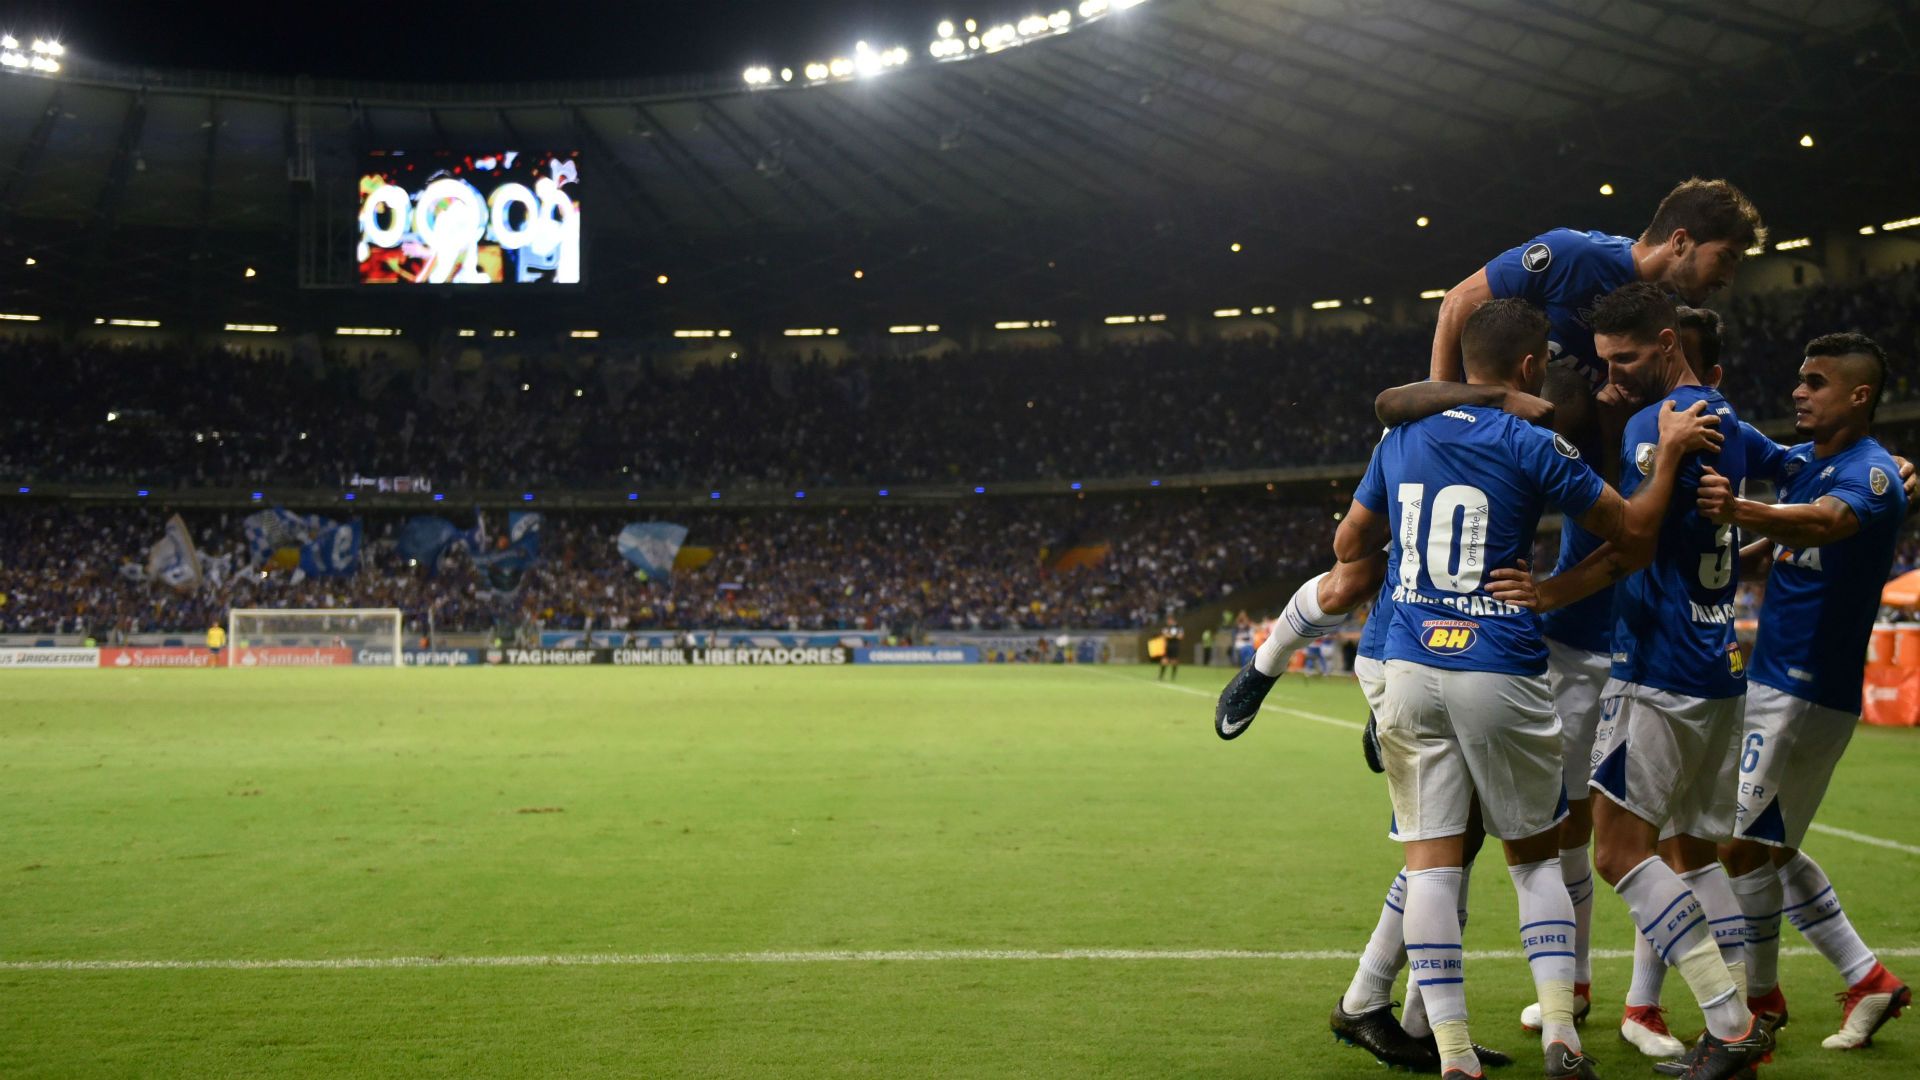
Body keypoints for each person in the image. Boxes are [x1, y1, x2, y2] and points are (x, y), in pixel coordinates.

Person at [1217, 177, 1767, 738]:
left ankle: (1402, 679)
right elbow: (1458, 302)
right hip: (1456, 433)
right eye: (1726, 256)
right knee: (1351, 576)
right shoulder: (1574, 254)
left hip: (1527, 461)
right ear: (1680, 241)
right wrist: (1441, 411)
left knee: (1478, 577)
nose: (1728, 276)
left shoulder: (1658, 319)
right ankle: (1264, 666)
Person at [1328, 298, 1719, 1079]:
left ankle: (1454, 1056)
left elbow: (1346, 544)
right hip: (1495, 662)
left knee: (1433, 865)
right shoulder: (1532, 441)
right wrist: (1667, 461)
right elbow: (1630, 534)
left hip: (1405, 664)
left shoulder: (1401, 436)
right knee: (1537, 862)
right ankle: (1564, 1042)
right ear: (1532, 367)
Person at [1508, 284, 1771, 1079]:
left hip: (1656, 670)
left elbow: (1632, 542)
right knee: (1688, 851)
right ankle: (1743, 1010)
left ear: (1663, 343)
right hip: (1719, 667)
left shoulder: (1661, 431)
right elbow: (1800, 475)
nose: (1611, 374)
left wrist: (1550, 592)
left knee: (1619, 850)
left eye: (1622, 359)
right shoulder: (1726, 423)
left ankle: (1731, 1023)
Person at [1698, 333, 1912, 1053]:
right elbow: (1787, 545)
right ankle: (1868, 979)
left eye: (1815, 381)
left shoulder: (1871, 474)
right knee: (1772, 848)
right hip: (1776, 682)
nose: (1798, 391)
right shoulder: (1809, 466)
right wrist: (1721, 563)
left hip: (1805, 689)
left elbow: (1827, 523)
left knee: (1739, 845)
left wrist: (1738, 511)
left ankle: (1760, 1000)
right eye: (1798, 379)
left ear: (1858, 394)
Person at [1157, 614, 1184, 681]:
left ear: (1172, 620)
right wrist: (1174, 636)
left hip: (1175, 646)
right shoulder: (1166, 627)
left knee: (1174, 661)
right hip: (1167, 646)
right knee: (1164, 660)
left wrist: (1171, 636)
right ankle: (1161, 677)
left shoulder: (1179, 627)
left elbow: (1181, 636)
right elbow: (1164, 635)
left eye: (1168, 620)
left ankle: (1173, 677)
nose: (1167, 622)